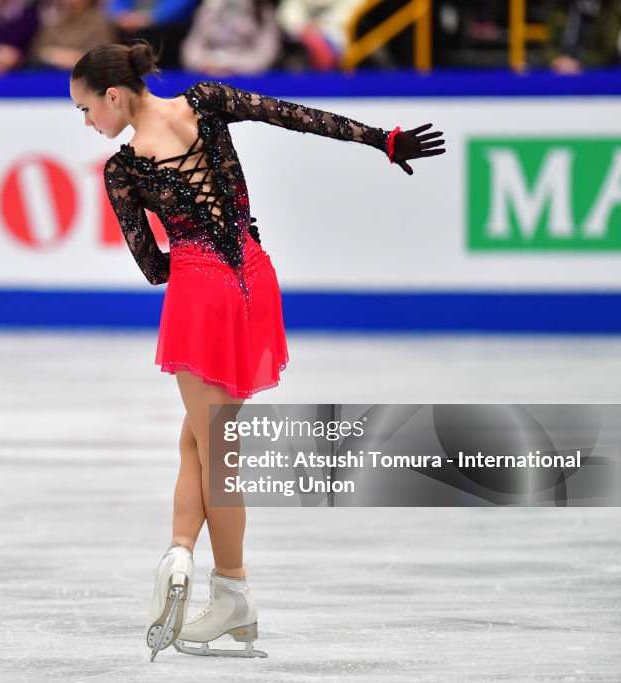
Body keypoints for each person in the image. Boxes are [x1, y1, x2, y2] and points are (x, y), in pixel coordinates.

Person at [69, 41, 445, 661]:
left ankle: (220, 580)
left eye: (86, 109)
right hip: (254, 282)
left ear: (114, 95)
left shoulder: (123, 170)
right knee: (203, 439)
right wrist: (383, 140)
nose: (88, 124)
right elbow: (296, 116)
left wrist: (188, 254)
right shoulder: (209, 102)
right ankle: (190, 561)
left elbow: (152, 267)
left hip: (199, 292)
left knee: (214, 445)